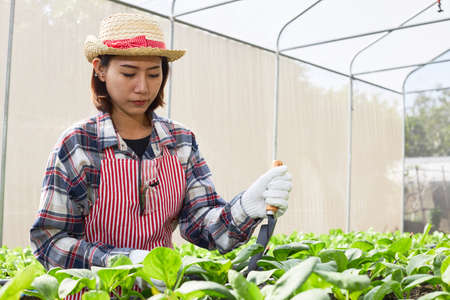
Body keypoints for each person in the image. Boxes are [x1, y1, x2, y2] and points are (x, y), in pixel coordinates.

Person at [30, 12, 292, 273]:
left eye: (154, 74)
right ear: (100, 69)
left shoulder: (180, 142)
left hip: (161, 289)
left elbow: (204, 227)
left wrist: (246, 207)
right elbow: (50, 243)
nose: (143, 87)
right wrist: (121, 261)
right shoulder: (78, 144)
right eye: (129, 73)